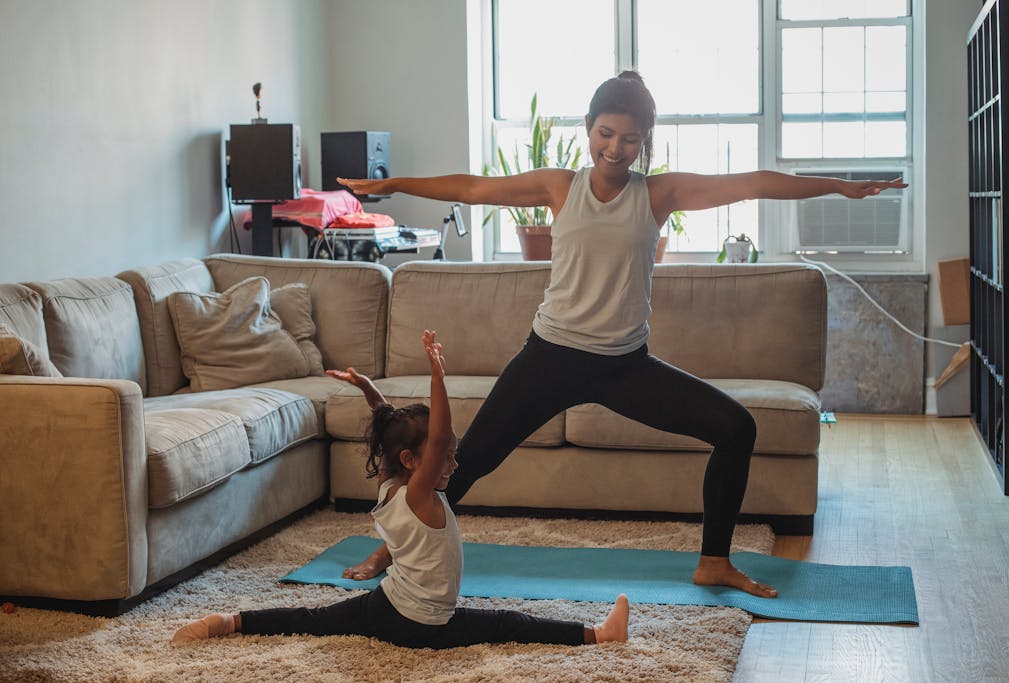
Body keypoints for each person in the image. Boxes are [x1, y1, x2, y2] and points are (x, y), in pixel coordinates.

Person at [337, 71, 908, 599]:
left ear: (646, 142)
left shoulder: (659, 195)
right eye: (606, 134)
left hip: (624, 365)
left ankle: (714, 560)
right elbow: (472, 188)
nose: (615, 148)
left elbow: (752, 183)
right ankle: (393, 548)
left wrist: (837, 185)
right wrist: (392, 184)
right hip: (550, 356)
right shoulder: (559, 186)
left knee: (736, 427)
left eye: (630, 139)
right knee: (468, 459)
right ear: (588, 129)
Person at [173, 330, 629, 648]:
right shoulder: (420, 496)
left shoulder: (390, 485)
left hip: (388, 606)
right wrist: (437, 376)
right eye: (443, 455)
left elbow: (386, 420)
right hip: (425, 624)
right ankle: (597, 635)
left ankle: (227, 622)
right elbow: (436, 434)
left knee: (313, 618)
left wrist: (368, 387)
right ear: (416, 461)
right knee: (509, 623)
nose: (452, 462)